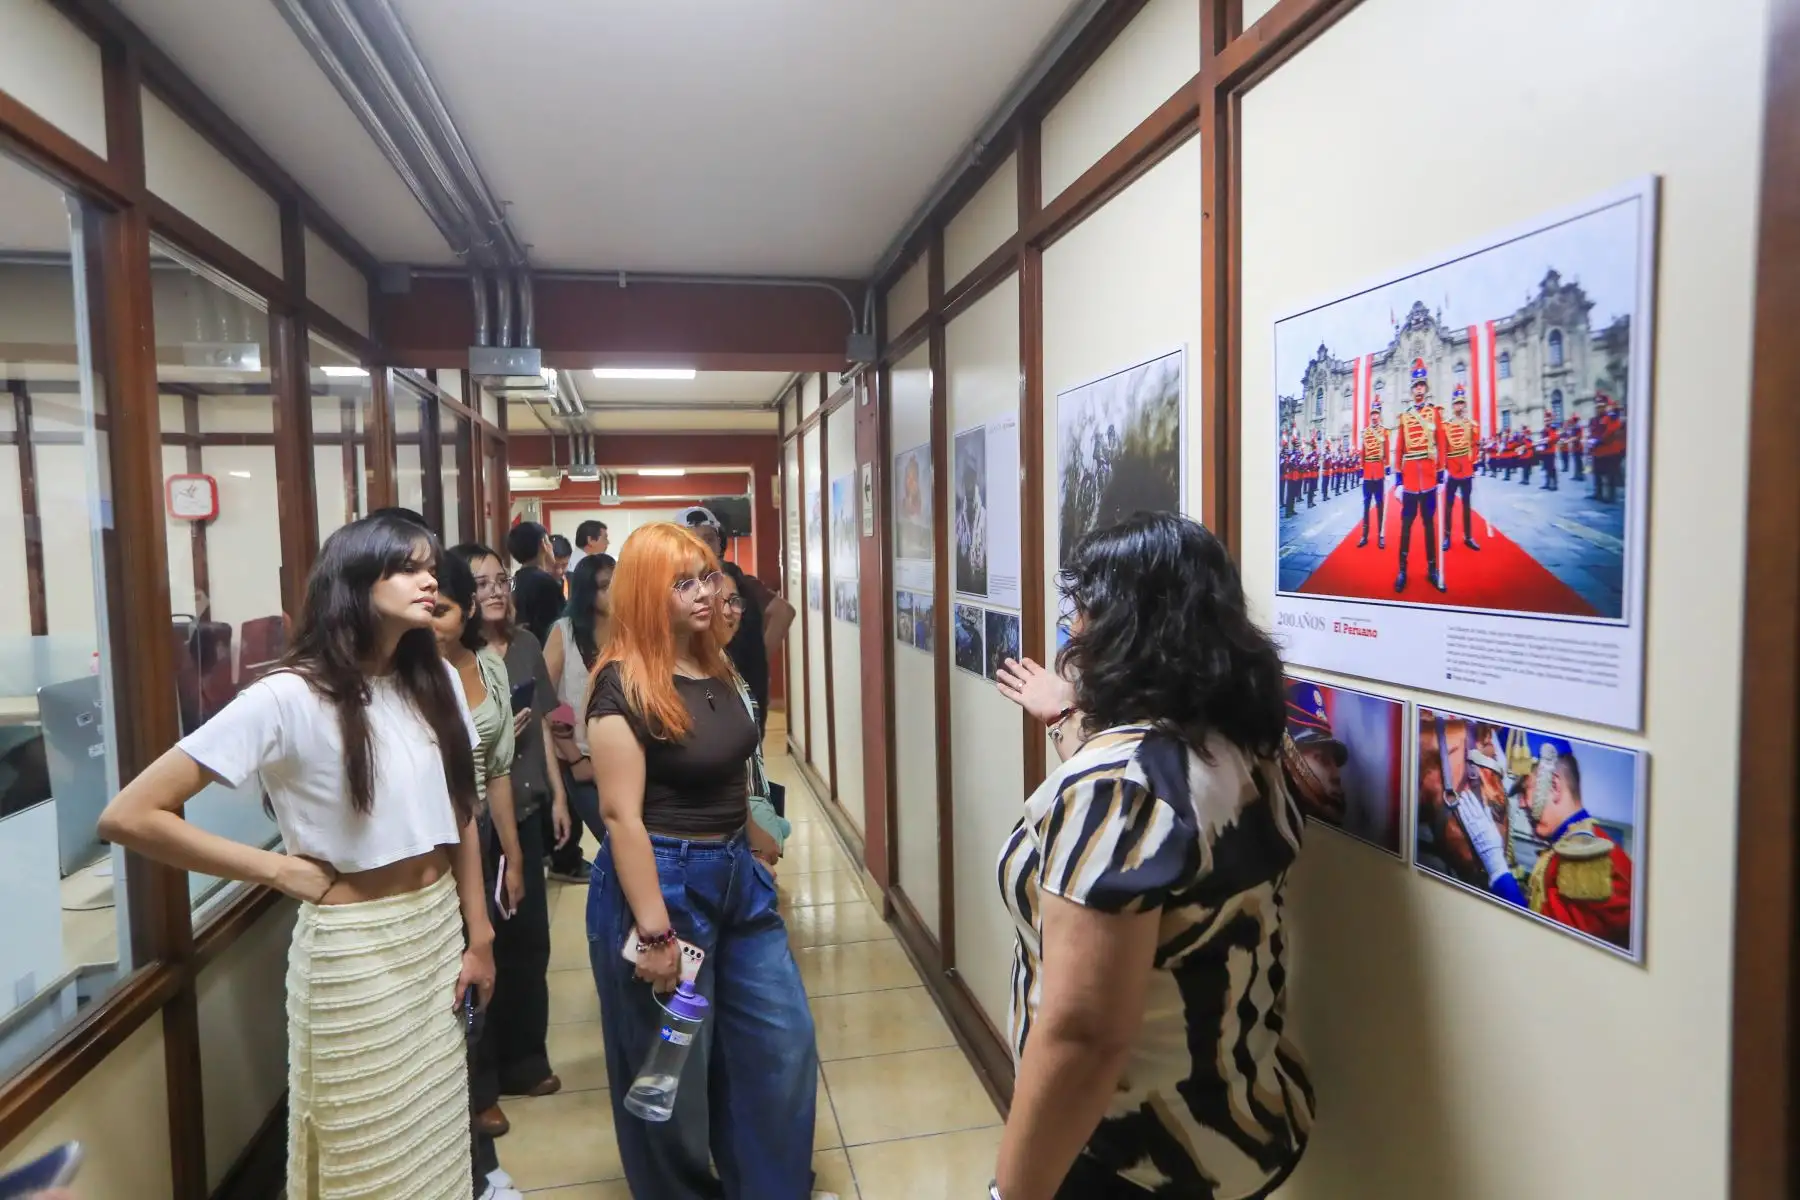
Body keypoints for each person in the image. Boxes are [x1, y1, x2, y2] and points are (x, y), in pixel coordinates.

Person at [97, 514, 494, 1200]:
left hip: (433, 934)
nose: (430, 580)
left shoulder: (436, 682)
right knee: (369, 1150)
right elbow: (130, 814)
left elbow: (460, 812)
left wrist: (478, 934)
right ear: (354, 581)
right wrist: (275, 868)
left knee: (432, 1139)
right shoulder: (288, 694)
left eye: (431, 567)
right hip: (354, 950)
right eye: (407, 566)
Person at [990, 512, 1311, 1200]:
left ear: (1124, 628)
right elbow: (1149, 835)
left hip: (1132, 1152)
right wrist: (1065, 718)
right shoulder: (1243, 745)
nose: (1073, 630)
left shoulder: (1114, 788)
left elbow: (1082, 1037)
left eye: (1083, 610)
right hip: (1240, 1109)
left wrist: (1011, 1194)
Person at [583, 523, 826, 1200]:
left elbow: (730, 769)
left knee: (781, 1044)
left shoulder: (712, 658)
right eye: (683, 582)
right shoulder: (622, 684)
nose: (706, 592)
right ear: (644, 594)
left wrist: (753, 833)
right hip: (661, 885)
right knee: (671, 1070)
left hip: (734, 876)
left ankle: (771, 1187)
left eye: (708, 577)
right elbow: (620, 818)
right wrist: (656, 934)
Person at [452, 546, 568, 1118]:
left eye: (502, 580)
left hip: (520, 816)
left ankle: (528, 1059)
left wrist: (559, 795)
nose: (495, 591)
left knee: (528, 947)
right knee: (478, 955)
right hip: (469, 833)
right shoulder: (450, 661)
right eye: (481, 584)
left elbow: (542, 727)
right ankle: (481, 1085)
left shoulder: (519, 649)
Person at [430, 553, 527, 1190]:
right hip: (428, 854)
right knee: (446, 989)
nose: (428, 613)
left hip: (479, 839)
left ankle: (477, 1101)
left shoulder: (486, 666)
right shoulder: (408, 675)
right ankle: (459, 1128)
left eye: (440, 604)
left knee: (484, 970)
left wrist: (514, 854)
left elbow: (494, 771)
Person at [1449, 737, 1633, 950]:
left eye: (1525, 790)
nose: (1522, 804)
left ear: (1554, 786)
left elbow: (1542, 946)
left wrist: (1497, 867)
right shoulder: (1567, 846)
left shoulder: (1586, 861)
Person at [679, 506, 794, 737]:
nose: (702, 546)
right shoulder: (670, 587)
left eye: (709, 538)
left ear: (720, 543)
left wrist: (757, 657)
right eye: (692, 540)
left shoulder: (741, 582)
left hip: (738, 693)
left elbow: (783, 612)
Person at [711, 568, 791, 867]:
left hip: (740, 817)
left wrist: (757, 823)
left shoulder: (731, 671)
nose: (732, 612)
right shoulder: (686, 676)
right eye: (721, 602)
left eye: (736, 601)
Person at [543, 553, 616, 877]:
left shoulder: (632, 631)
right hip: (582, 761)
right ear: (587, 591)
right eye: (604, 586)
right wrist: (574, 758)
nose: (614, 592)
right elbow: (548, 697)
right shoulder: (565, 632)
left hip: (628, 757)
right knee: (614, 842)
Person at [1392, 358, 1446, 593]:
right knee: (1405, 527)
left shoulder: (1434, 414)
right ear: (1411, 389)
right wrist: (1398, 482)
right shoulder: (1404, 417)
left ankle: (1432, 569)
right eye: (1415, 386)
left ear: (1426, 388)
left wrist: (1442, 475)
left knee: (1429, 526)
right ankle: (1402, 569)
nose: (1419, 389)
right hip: (1411, 481)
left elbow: (1442, 443)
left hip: (1429, 479)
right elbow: (1400, 448)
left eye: (1422, 385)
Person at [507, 522, 565, 646]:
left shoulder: (516, 579)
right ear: (543, 543)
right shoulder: (546, 583)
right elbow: (557, 628)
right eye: (549, 541)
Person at [1440, 385, 1481, 552]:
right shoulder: (1446, 425)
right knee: (1448, 504)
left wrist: (1474, 463)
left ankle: (1468, 536)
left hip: (1466, 469)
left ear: (1465, 404)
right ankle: (1447, 536)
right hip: (1452, 469)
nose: (1459, 406)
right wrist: (1444, 468)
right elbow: (1443, 448)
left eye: (1462, 403)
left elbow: (1475, 445)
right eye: (1457, 403)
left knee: (1466, 503)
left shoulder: (1472, 425)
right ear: (1453, 405)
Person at [1355, 399, 1387, 549]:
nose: (1374, 416)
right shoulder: (1365, 432)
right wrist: (1362, 471)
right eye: (1372, 414)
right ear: (1370, 416)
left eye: (1376, 413)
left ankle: (1381, 534)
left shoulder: (1384, 431)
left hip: (1379, 473)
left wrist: (1386, 469)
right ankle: (1364, 535)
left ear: (1379, 415)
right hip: (1368, 473)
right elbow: (1362, 453)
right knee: (1366, 505)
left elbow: (1386, 453)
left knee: (1380, 505)